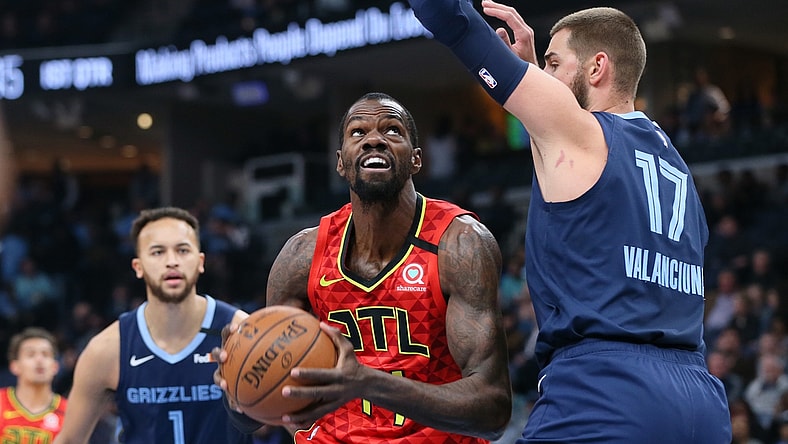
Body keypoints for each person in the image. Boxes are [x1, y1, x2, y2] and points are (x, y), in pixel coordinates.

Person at [405, 0, 731, 442]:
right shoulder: (676, 168)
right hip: (700, 401)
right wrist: (532, 84)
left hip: (606, 392)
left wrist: (520, 80)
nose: (545, 76)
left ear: (597, 68)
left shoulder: (580, 131)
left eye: (554, 64)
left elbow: (451, 20)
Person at [217, 92, 512, 443]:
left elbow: (493, 410)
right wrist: (237, 381)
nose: (374, 139)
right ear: (341, 163)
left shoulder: (459, 244)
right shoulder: (302, 256)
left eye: (392, 130)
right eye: (358, 132)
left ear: (416, 160)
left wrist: (368, 382)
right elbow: (255, 417)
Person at [53, 206, 252, 444]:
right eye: (158, 252)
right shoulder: (108, 348)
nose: (172, 261)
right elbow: (69, 440)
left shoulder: (241, 330)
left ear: (200, 262)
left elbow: (290, 423)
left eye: (182, 250)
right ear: (138, 267)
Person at [0, 327, 67, 443]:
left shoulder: (69, 412)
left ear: (55, 367)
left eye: (45, 355)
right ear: (14, 366)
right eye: (30, 355)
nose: (39, 360)